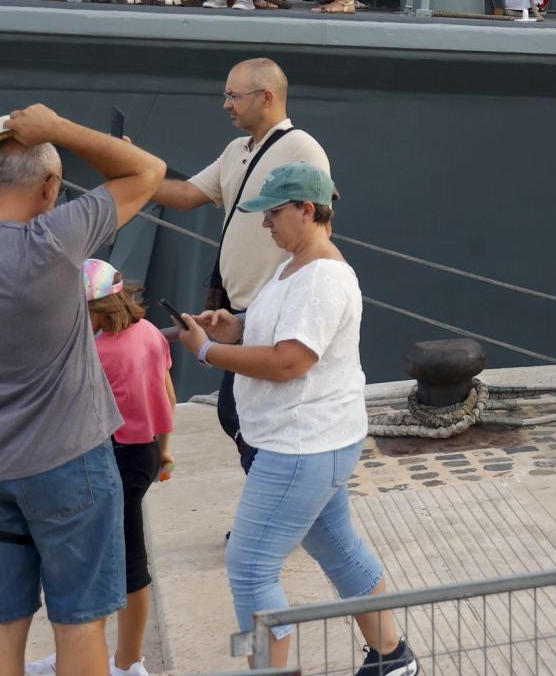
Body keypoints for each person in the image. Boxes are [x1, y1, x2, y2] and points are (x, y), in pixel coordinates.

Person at [0, 105, 164, 676]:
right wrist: (62, 129)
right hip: (69, 464)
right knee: (80, 621)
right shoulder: (58, 238)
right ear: (50, 188)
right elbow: (148, 172)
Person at [174, 163, 418, 676]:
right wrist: (236, 326)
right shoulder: (295, 265)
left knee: (250, 567)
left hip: (302, 446)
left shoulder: (321, 277)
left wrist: (207, 354)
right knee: (338, 547)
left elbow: (290, 361)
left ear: (308, 211)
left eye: (274, 214)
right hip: (315, 442)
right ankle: (394, 659)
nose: (266, 224)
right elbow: (286, 333)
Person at [148, 58, 331, 471]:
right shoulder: (236, 151)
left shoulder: (302, 149)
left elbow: (320, 223)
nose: (225, 104)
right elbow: (184, 194)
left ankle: (268, 513)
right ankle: (272, 509)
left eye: (234, 96)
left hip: (273, 310)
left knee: (251, 418)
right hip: (240, 312)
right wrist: (128, 170)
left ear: (266, 97)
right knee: (240, 416)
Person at [24, 262, 176, 676]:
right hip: (143, 455)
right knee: (127, 560)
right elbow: (167, 393)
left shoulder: (98, 353)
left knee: (109, 565)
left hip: (112, 459)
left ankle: (118, 663)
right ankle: (118, 658)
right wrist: (164, 451)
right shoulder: (150, 335)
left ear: (96, 309)